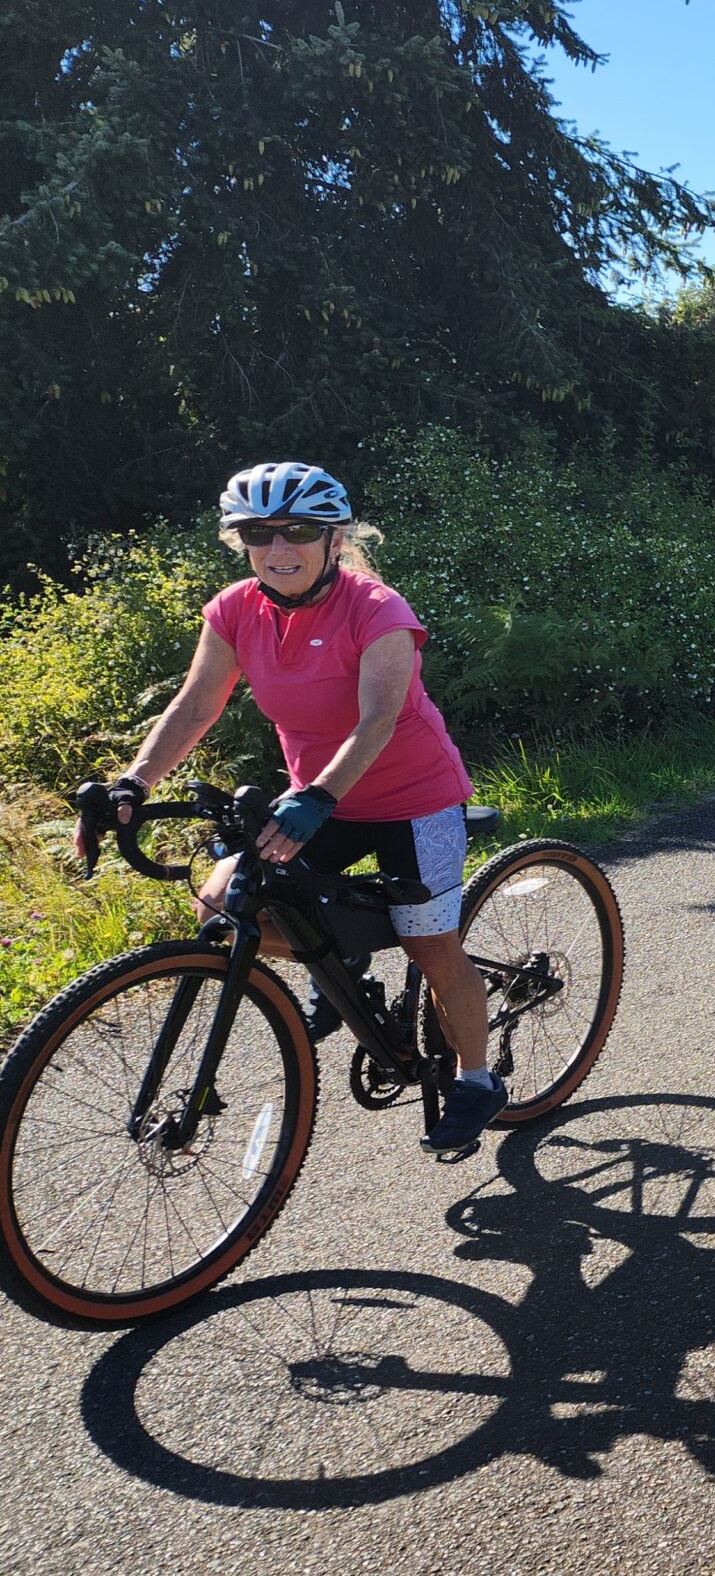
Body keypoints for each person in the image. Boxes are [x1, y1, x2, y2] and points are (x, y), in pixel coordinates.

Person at [71, 461, 504, 1154]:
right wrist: (133, 783)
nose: (278, 549)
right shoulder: (237, 609)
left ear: (332, 538)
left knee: (428, 944)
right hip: (320, 800)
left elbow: (379, 720)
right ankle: (342, 968)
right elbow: (194, 707)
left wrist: (319, 796)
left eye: (297, 531)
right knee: (223, 903)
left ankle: (478, 1080)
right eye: (257, 533)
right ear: (240, 541)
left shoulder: (377, 610)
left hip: (409, 799)